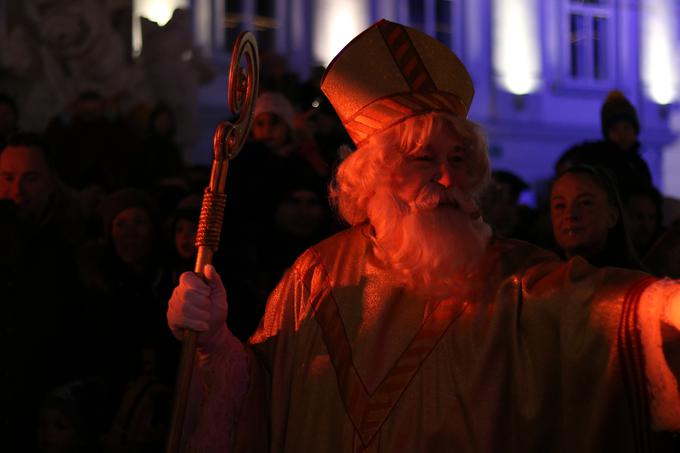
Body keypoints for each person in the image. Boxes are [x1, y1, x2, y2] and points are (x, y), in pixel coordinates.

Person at [167, 20, 680, 452]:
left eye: (459, 159)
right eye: (424, 160)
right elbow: (265, 397)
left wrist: (666, 308)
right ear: (376, 174)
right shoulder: (315, 277)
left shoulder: (514, 279)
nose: (449, 178)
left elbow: (599, 310)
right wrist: (215, 341)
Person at [549, 164, 643, 269]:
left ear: (612, 216)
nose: (570, 215)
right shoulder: (537, 280)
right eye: (560, 205)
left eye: (585, 203)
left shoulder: (638, 283)